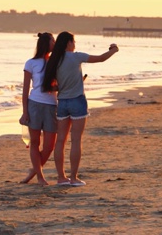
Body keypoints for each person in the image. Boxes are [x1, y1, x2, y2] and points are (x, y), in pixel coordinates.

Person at [42, 31, 119, 186]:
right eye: (74, 41)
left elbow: (54, 85)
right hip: (77, 101)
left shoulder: (54, 60)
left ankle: (61, 177)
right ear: (69, 43)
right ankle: (74, 178)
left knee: (61, 141)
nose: (75, 44)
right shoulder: (76, 57)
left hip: (62, 102)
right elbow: (100, 59)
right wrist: (113, 50)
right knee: (76, 140)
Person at [18, 32, 58, 186]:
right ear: (45, 43)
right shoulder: (31, 63)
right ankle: (40, 177)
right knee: (34, 142)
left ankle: (33, 172)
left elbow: (59, 84)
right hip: (34, 104)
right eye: (52, 41)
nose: (55, 43)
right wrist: (25, 112)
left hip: (51, 106)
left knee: (49, 147)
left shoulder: (55, 62)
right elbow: (25, 89)